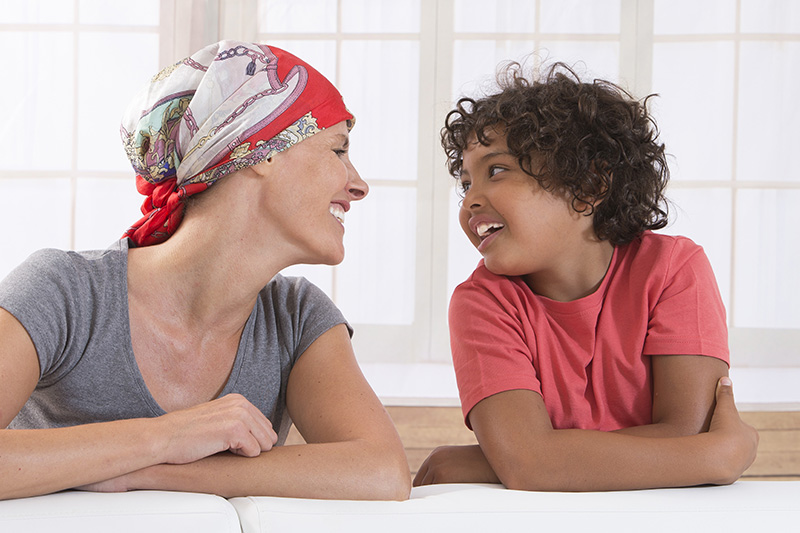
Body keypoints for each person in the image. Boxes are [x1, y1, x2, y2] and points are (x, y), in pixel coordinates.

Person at [0, 41, 410, 501]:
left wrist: (150, 472)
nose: (358, 185)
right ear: (261, 151)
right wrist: (165, 438)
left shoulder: (296, 318)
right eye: (338, 150)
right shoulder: (64, 292)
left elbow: (382, 472)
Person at [413, 62, 758, 491]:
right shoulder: (482, 301)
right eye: (465, 184)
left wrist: (505, 462)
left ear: (589, 185)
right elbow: (530, 463)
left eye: (496, 171)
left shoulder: (673, 268)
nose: (470, 202)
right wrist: (716, 456)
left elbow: (688, 435)